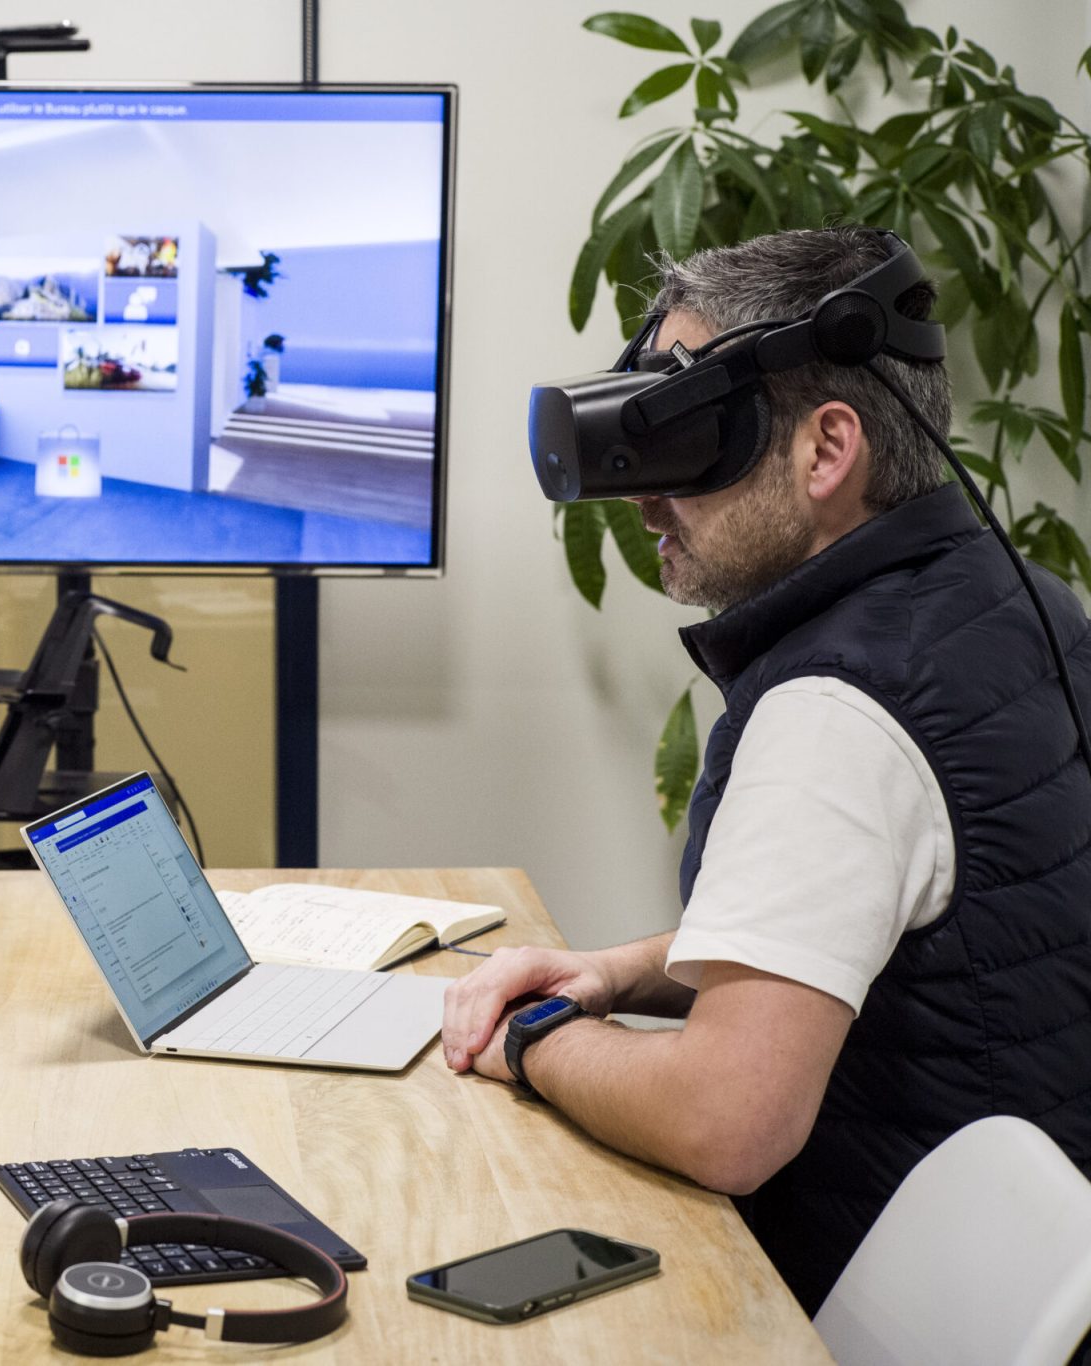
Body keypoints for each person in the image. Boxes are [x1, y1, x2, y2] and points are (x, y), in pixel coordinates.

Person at [443, 226, 1091, 1313]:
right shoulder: (1006, 602)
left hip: (834, 1304)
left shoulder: (836, 710)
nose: (645, 501)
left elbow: (723, 1119)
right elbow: (857, 915)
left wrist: (533, 1040)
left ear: (825, 450)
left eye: (695, 443)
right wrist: (606, 973)